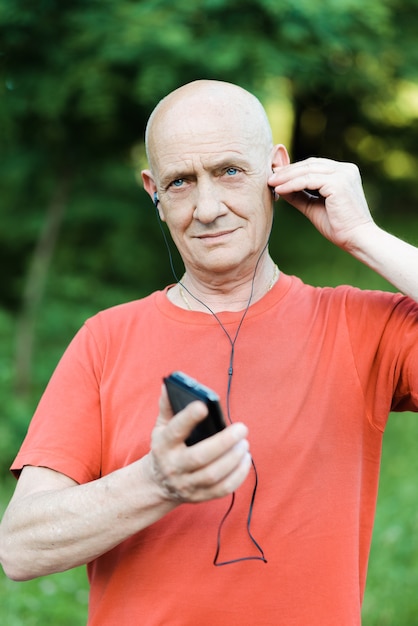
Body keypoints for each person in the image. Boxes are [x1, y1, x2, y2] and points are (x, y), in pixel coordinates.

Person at [1, 79, 417, 626]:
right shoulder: (105, 339)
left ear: (277, 169)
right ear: (153, 191)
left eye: (229, 172)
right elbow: (20, 548)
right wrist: (156, 482)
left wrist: (364, 235)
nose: (207, 207)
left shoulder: (364, 325)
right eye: (180, 182)